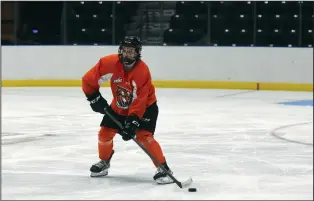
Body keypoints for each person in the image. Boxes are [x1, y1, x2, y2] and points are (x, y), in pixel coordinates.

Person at [81, 36, 174, 184]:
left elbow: (140, 100)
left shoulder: (142, 71)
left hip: (146, 107)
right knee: (104, 133)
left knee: (144, 136)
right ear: (121, 51)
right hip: (120, 106)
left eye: (131, 52)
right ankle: (104, 162)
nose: (127, 55)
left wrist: (133, 122)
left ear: (138, 53)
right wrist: (93, 97)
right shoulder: (109, 63)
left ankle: (164, 168)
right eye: (125, 51)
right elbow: (88, 79)